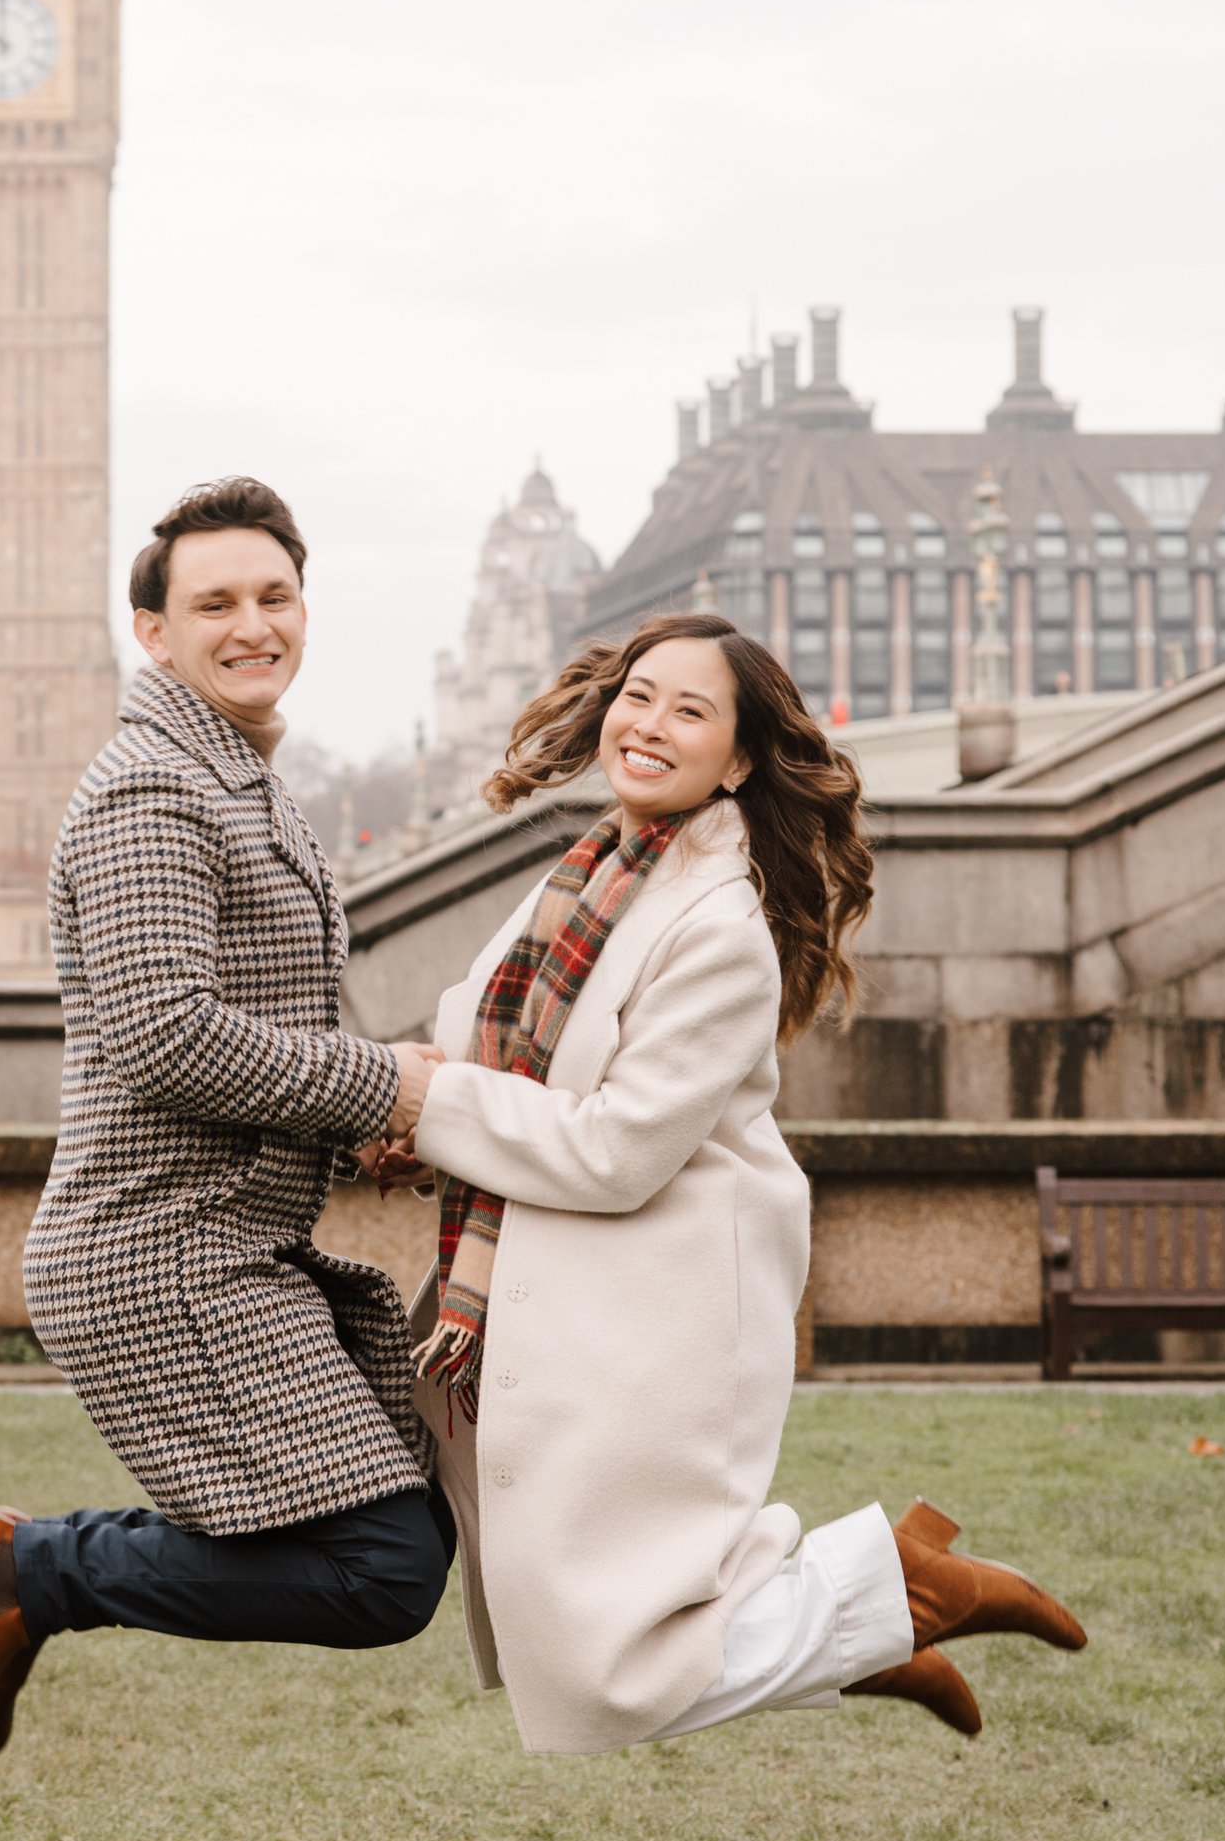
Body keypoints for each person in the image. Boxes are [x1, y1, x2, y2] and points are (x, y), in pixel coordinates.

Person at [359, 613, 1086, 1752]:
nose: (648, 725)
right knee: (588, 1646)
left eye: (690, 711)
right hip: (562, 1295)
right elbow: (504, 1058)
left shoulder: (719, 926)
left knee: (606, 1666)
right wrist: (423, 1121)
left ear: (740, 760)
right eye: (638, 696)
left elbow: (615, 1149)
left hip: (657, 1307)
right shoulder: (592, 871)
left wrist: (429, 1104)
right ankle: (878, 1618)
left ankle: (898, 1595)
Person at [0, 476, 452, 1787]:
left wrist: (362, 1130)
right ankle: (25, 1570)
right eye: (216, 604)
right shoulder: (153, 791)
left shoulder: (238, 776)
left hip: (227, 1245)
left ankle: (24, 1571)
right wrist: (383, 1086)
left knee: (416, 1522)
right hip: (161, 1257)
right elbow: (167, 1033)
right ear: (154, 632)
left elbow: (247, 1026)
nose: (252, 624)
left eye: (275, 595)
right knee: (385, 1566)